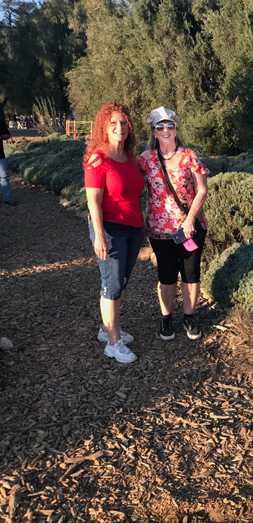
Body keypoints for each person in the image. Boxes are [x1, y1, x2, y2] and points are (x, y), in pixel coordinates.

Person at [138, 106, 209, 341]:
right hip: (159, 230)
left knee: (191, 274)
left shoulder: (190, 156)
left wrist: (189, 220)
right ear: (154, 131)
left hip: (190, 228)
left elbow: (202, 190)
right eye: (160, 126)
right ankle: (166, 318)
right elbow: (131, 185)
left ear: (176, 129)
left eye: (170, 125)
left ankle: (189, 317)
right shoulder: (145, 159)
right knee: (166, 275)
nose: (166, 130)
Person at [84, 102, 145, 364]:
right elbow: (92, 202)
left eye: (123, 123)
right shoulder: (98, 158)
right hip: (109, 228)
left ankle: (106, 328)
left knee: (121, 282)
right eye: (113, 124)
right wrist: (99, 235)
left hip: (133, 228)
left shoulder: (129, 157)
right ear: (104, 129)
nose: (119, 127)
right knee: (112, 284)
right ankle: (113, 342)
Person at [0, 106, 16, 206]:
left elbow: (8, 135)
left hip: (0, 155)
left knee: (4, 177)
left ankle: (7, 198)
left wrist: (0, 136)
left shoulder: (0, 122)